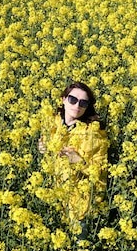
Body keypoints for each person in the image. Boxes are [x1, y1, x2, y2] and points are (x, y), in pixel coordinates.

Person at [38, 81, 109, 236]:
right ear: (64, 99)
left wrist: (78, 161)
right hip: (55, 194)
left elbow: (102, 170)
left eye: (83, 103)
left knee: (79, 247)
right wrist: (42, 147)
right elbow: (46, 144)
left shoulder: (93, 134)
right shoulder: (53, 121)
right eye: (72, 100)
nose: (77, 105)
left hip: (80, 202)